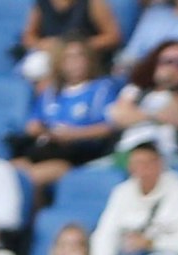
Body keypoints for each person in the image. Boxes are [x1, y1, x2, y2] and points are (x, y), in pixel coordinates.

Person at [12, 38, 120, 190]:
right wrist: (41, 130)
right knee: (8, 171)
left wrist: (74, 134)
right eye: (68, 57)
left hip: (77, 154)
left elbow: (109, 127)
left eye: (79, 56)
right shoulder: (51, 92)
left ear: (89, 59)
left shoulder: (101, 89)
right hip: (45, 148)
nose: (74, 62)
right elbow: (33, 124)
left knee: (30, 178)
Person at [109, 41, 178, 159]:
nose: (174, 68)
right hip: (128, 153)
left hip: (171, 156)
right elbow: (119, 117)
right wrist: (156, 116)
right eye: (168, 62)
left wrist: (170, 87)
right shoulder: (136, 89)